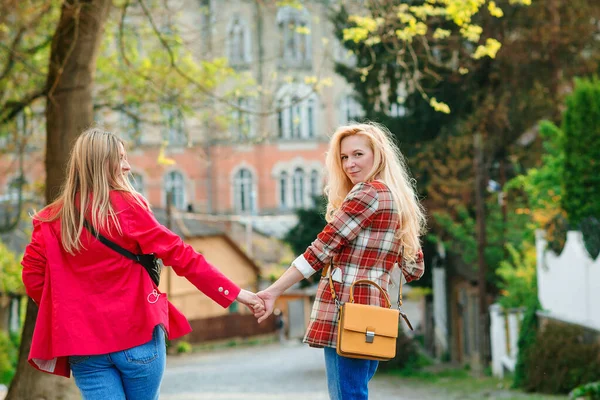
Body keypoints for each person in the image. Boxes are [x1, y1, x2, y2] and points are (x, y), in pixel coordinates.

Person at [21, 128, 265, 400]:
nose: (127, 166)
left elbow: (32, 277)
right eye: (121, 158)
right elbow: (179, 253)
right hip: (136, 333)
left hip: (85, 345)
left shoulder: (50, 219)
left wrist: (73, 308)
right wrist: (235, 293)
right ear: (102, 162)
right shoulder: (126, 206)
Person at [256, 122, 426, 399]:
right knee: (356, 392)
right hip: (375, 315)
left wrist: (273, 290)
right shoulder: (398, 198)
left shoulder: (367, 193)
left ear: (378, 155)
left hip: (347, 313)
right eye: (344, 157)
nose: (349, 164)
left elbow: (319, 250)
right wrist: (374, 275)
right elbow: (414, 267)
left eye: (358, 154)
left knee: (348, 395)